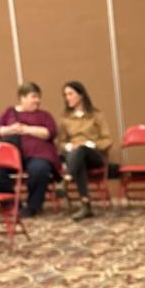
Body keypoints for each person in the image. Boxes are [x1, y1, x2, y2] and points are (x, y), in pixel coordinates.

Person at [0, 82, 61, 217]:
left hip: (38, 155)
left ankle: (33, 206)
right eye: (34, 97)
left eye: (38, 97)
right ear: (22, 98)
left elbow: (50, 132)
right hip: (13, 156)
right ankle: (12, 204)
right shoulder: (9, 112)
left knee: (39, 169)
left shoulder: (44, 115)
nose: (37, 100)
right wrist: (12, 129)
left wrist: (27, 129)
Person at [57, 80, 113, 221]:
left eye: (70, 94)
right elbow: (61, 143)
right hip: (74, 157)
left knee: (81, 150)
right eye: (65, 95)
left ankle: (67, 179)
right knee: (78, 158)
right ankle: (86, 205)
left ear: (81, 95)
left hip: (94, 155)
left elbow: (107, 140)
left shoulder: (96, 115)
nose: (67, 98)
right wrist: (69, 146)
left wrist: (89, 144)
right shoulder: (65, 119)